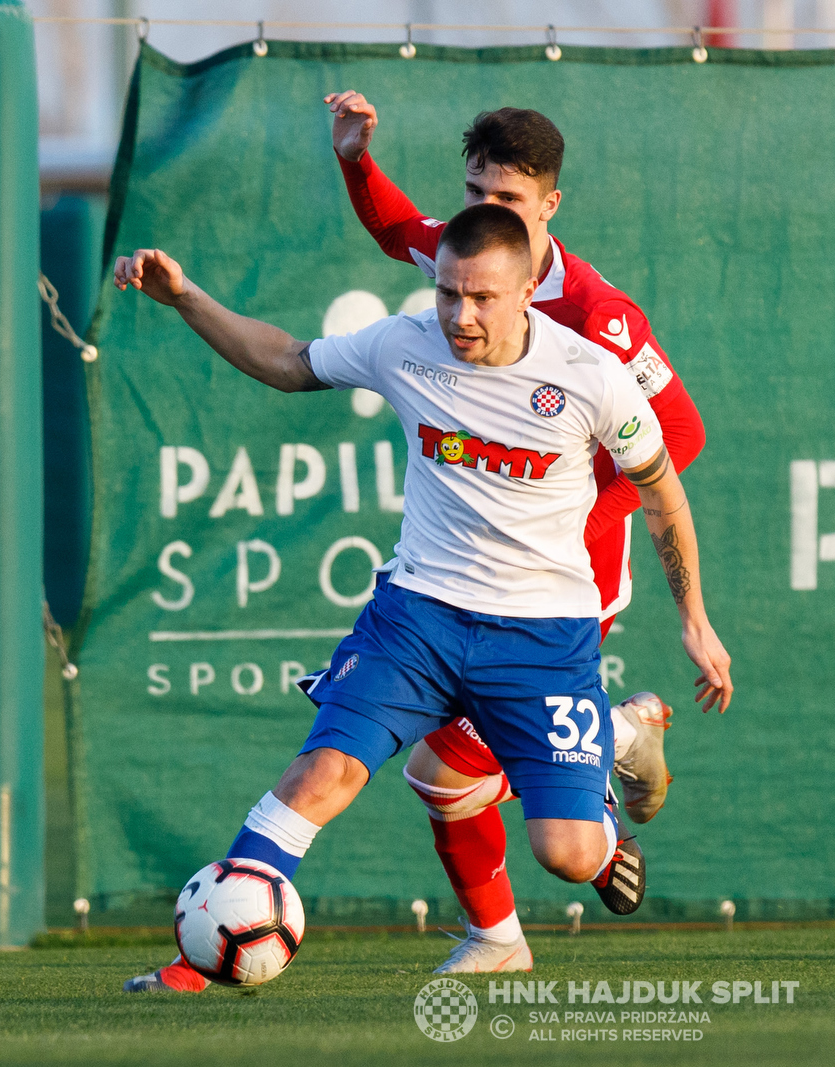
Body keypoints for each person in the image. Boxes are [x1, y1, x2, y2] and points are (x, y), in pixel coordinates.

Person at [113, 203, 733, 995]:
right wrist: (188, 296)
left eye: (480, 297)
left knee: (569, 854)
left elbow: (662, 491)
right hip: (418, 617)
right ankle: (205, 956)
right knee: (322, 774)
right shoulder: (404, 344)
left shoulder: (589, 375)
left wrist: (695, 619)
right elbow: (287, 360)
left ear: (523, 295)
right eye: (447, 293)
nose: (459, 313)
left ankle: (614, 736)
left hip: (542, 639)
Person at [323, 95, 709, 972]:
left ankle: (538, 886)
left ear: (551, 207)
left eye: (510, 198)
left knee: (448, 767)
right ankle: (611, 744)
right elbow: (397, 229)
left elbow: (677, 436)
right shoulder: (474, 260)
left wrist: (583, 516)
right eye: (473, 190)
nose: (485, 211)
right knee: (444, 771)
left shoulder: (598, 314)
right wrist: (354, 158)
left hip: (563, 583)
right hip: (468, 584)